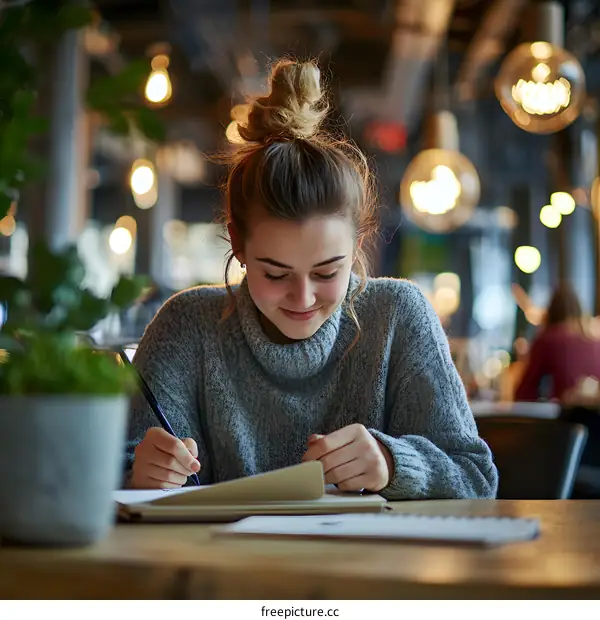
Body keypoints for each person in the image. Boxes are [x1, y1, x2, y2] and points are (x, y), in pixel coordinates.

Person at [124, 59, 498, 500]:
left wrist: (393, 462)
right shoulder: (186, 326)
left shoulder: (398, 315)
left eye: (327, 272)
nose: (303, 297)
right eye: (275, 273)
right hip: (220, 569)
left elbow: (477, 479)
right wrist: (137, 474)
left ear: (358, 244)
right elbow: (111, 468)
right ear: (237, 245)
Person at [515, 283, 600, 402]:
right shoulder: (594, 341)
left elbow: (524, 392)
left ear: (551, 311)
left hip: (563, 417)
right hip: (594, 417)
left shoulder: (546, 340)